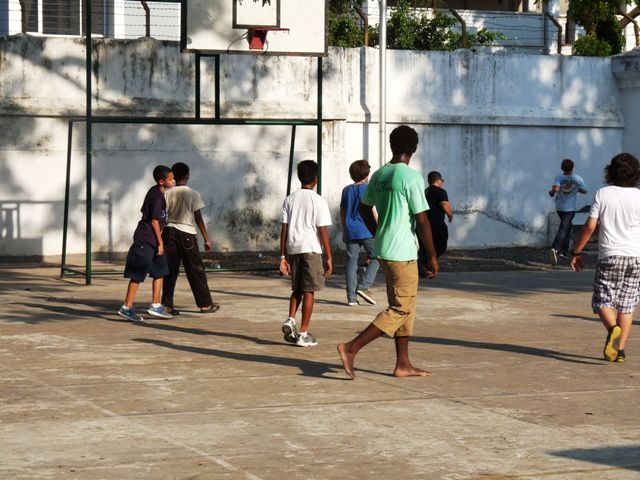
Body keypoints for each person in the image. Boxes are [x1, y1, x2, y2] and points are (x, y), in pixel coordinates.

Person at [337, 125, 439, 379]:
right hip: (402, 252)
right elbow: (422, 220)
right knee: (401, 308)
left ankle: (403, 364)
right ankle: (351, 348)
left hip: (385, 250)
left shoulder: (380, 174)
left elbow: (364, 208)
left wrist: (379, 230)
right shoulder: (410, 176)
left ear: (393, 146)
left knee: (406, 307)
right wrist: (433, 256)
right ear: (413, 149)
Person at [571, 153, 640, 363]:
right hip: (635, 257)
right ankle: (619, 351)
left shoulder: (603, 193)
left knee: (602, 300)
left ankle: (613, 328)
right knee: (627, 304)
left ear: (610, 172)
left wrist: (577, 252)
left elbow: (590, 226)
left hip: (610, 256)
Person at [279, 160, 333, 347]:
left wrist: (282, 256)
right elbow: (322, 230)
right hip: (311, 248)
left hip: (293, 248)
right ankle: (303, 333)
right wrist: (329, 255)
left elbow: (284, 229)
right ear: (316, 179)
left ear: (299, 177)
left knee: (297, 289)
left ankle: (291, 319)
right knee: (309, 290)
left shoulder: (290, 199)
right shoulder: (318, 200)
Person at [117, 165, 175, 322]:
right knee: (137, 273)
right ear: (161, 181)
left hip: (154, 241)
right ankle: (126, 307)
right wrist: (160, 243)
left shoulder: (159, 193)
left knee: (160, 271)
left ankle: (156, 305)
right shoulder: (156, 196)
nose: (173, 181)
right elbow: (155, 221)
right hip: (146, 240)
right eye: (170, 179)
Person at [161, 162, 220, 315]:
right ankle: (205, 304)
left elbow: (162, 215)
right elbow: (198, 217)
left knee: (170, 271)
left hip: (169, 232)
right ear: (187, 176)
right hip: (186, 233)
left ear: (173, 176)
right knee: (195, 270)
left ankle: (167, 304)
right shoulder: (193, 193)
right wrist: (206, 238)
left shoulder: (167, 192)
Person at [340, 160, 379, 306]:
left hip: (350, 230)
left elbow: (342, 212)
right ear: (367, 174)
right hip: (367, 229)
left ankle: (351, 299)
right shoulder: (369, 188)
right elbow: (371, 210)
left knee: (351, 263)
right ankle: (364, 286)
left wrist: (345, 230)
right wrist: (378, 227)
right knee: (377, 256)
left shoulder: (346, 190)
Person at [549, 158, 587, 265]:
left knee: (567, 227)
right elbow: (584, 191)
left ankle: (563, 252)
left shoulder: (559, 177)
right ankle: (555, 248)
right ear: (572, 167)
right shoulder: (577, 178)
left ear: (562, 167)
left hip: (560, 207)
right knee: (564, 228)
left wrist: (551, 192)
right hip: (570, 208)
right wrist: (575, 188)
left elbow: (555, 189)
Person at [418, 171, 452, 277]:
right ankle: (428, 262)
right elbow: (444, 204)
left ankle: (423, 268)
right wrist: (450, 215)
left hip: (423, 223)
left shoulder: (425, 191)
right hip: (436, 223)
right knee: (441, 245)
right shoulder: (440, 191)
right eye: (442, 180)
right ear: (438, 180)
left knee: (424, 246)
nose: (442, 182)